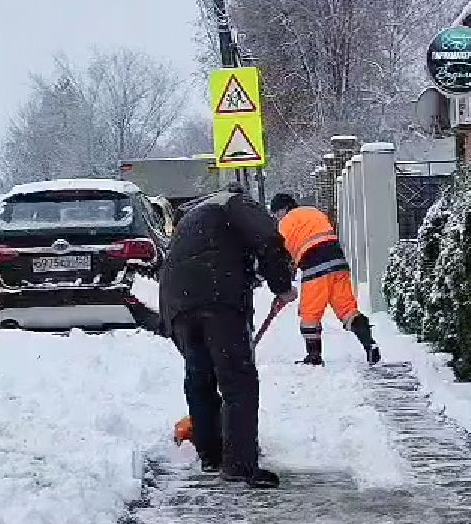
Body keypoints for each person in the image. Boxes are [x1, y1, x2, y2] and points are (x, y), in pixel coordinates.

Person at [148, 185, 296, 488]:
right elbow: (268, 240)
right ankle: (240, 464)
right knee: (237, 379)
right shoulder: (238, 204)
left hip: (177, 301)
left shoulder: (193, 216)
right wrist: (281, 284)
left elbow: (208, 255)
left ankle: (211, 455)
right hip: (218, 296)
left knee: (200, 377)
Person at [269, 193, 381, 367]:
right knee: (348, 311)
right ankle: (369, 344)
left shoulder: (285, 224)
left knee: (309, 315)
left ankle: (313, 357)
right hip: (339, 264)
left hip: (315, 269)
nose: (277, 218)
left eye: (277, 213)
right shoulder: (314, 212)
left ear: (283, 209)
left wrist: (283, 285)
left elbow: (283, 258)